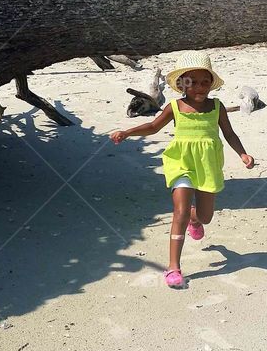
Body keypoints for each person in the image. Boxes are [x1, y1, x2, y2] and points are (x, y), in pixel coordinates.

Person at [109, 52, 254, 288]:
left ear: (211, 84)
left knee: (205, 216)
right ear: (182, 84)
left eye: (205, 82)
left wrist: (242, 153)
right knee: (180, 211)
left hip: (208, 165)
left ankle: (195, 220)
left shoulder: (217, 107)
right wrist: (127, 132)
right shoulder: (175, 107)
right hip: (180, 163)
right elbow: (153, 126)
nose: (199, 87)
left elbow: (229, 134)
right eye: (192, 82)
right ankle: (173, 268)